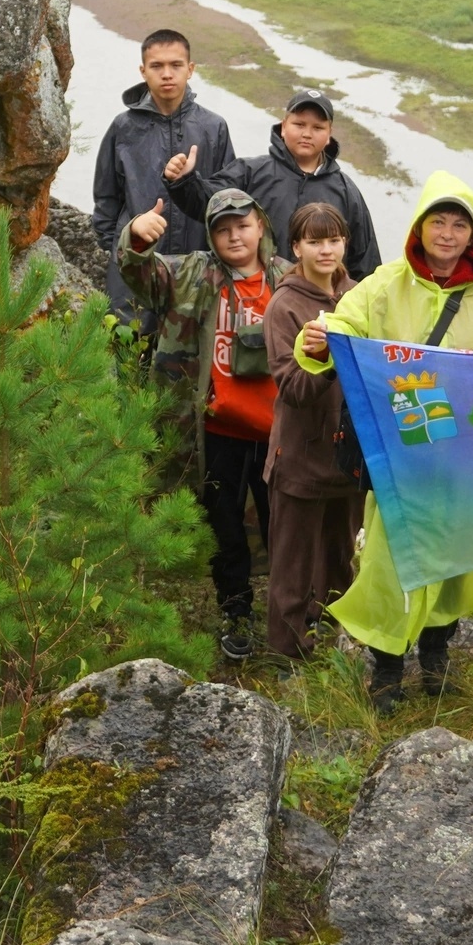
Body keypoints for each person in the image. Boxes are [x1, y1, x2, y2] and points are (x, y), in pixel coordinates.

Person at [297, 172, 473, 711]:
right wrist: (316, 340)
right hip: (403, 454)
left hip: (468, 457)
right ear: (419, 228)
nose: (447, 235)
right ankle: (384, 667)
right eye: (437, 222)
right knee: (390, 556)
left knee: (457, 558)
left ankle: (436, 652)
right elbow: (341, 328)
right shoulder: (386, 283)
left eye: (458, 224)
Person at [121, 186, 293, 661]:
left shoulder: (288, 279)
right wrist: (136, 238)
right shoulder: (195, 272)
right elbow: (145, 275)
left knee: (286, 528)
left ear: (261, 227)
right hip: (217, 432)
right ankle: (235, 613)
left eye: (243, 225)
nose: (234, 236)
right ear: (211, 236)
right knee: (226, 528)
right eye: (222, 229)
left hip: (279, 434)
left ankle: (289, 620)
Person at [261, 201, 361, 663]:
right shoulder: (285, 304)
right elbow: (292, 388)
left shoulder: (360, 296)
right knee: (292, 570)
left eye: (334, 239)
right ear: (296, 247)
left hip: (349, 457)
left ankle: (338, 655)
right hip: (299, 456)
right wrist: (323, 358)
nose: (326, 249)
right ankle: (286, 660)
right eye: (315, 241)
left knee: (344, 563)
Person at [91, 29, 235, 327]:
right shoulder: (123, 127)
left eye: (176, 65)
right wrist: (120, 251)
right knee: (129, 348)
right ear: (143, 71)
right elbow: (106, 198)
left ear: (190, 69)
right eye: (157, 66)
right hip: (136, 265)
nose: (167, 74)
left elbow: (226, 199)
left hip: (196, 267)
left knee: (187, 358)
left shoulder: (213, 127)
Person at [166, 88, 381, 283]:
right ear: (284, 126)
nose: (307, 134)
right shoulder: (250, 172)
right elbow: (207, 203)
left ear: (328, 135)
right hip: (254, 298)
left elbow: (365, 262)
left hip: (320, 309)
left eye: (317, 127)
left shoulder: (346, 190)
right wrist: (185, 180)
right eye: (299, 124)